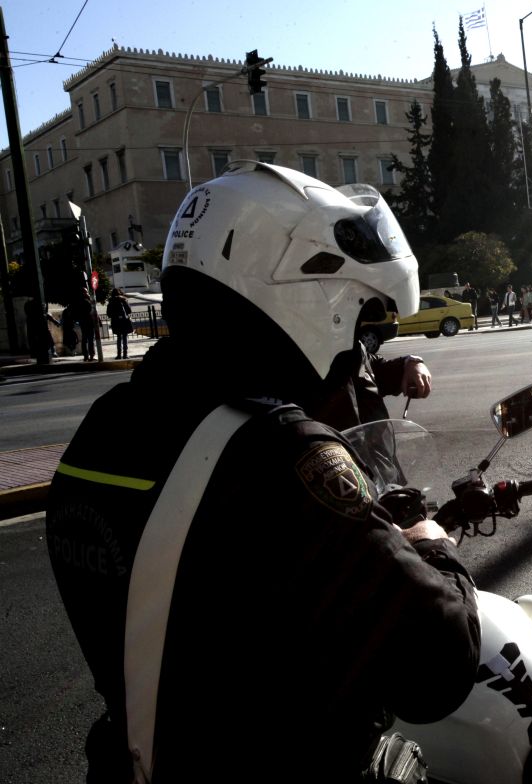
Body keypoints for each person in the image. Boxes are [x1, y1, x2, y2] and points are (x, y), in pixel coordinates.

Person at [45, 162, 480, 783]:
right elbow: (438, 669)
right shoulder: (279, 452)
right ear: (303, 296)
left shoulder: (107, 424)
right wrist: (436, 551)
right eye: (357, 326)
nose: (357, 355)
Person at [105, 288, 133, 359]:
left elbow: (108, 314)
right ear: (120, 293)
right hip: (124, 321)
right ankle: (125, 354)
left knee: (119, 338)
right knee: (124, 337)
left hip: (115, 322)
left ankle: (119, 355)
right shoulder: (123, 300)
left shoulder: (111, 302)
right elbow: (129, 311)